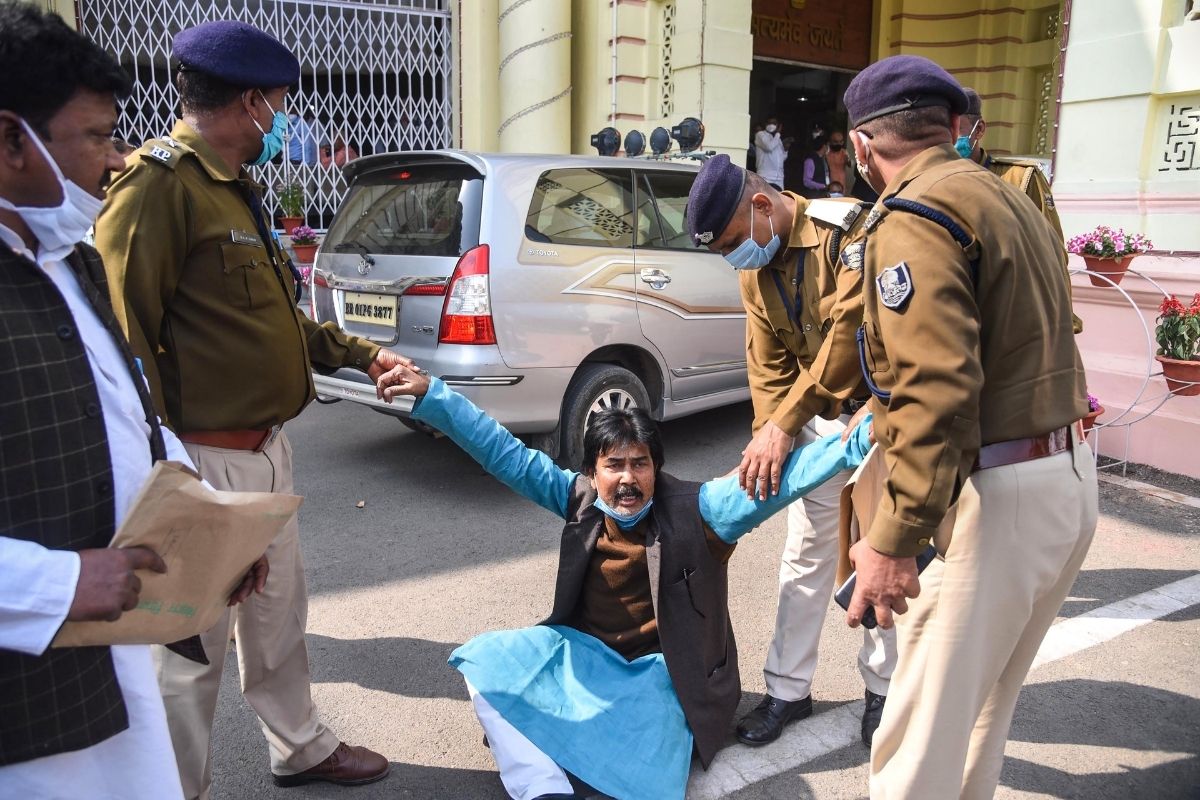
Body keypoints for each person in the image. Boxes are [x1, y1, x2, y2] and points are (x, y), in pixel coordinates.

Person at [94, 20, 411, 796]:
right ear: (250, 103)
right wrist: (165, 476)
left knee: (276, 620)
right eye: (279, 104)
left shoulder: (233, 187)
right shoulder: (158, 188)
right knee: (188, 649)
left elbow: (274, 322)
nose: (285, 118)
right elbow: (120, 345)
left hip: (265, 453)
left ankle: (297, 747)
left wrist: (364, 354)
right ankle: (175, 788)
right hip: (200, 460)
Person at [373, 364, 872, 800]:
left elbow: (782, 483)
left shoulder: (703, 511)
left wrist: (854, 442)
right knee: (487, 667)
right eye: (614, 465)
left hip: (665, 675)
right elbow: (502, 451)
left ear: (657, 467)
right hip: (588, 657)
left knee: (650, 770)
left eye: (641, 463)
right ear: (593, 470)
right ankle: (544, 790)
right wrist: (432, 396)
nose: (628, 478)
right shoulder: (579, 498)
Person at [0, 5, 262, 795]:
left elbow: (131, 415)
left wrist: (211, 535)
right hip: (27, 711)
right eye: (96, 137)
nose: (114, 161)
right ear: (12, 140)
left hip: (112, 671)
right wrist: (55, 584)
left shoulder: (66, 263)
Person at [841, 55, 1097, 798]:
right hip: (1065, 475)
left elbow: (938, 390)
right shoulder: (1005, 194)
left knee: (917, 749)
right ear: (954, 127)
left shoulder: (915, 216)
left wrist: (892, 539)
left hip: (1000, 495)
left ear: (862, 146)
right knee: (980, 721)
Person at [685, 154, 894, 748]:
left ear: (760, 206)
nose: (733, 257)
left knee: (875, 555)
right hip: (816, 432)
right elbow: (766, 362)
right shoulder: (753, 271)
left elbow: (847, 340)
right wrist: (767, 435)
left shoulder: (846, 230)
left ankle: (882, 689)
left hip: (874, 422)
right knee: (804, 559)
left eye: (731, 242)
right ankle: (787, 693)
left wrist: (785, 422)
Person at [958, 87, 1082, 333]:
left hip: (1007, 319)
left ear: (979, 130)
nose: (948, 138)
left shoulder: (1019, 178)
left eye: (956, 128)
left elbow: (1052, 252)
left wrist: (1059, 324)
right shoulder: (922, 181)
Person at [754, 116, 788, 190]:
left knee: (779, 200)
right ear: (765, 124)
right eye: (770, 123)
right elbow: (769, 147)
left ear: (777, 125)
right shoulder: (760, 135)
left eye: (774, 123)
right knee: (765, 199)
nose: (772, 125)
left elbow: (782, 158)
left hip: (779, 178)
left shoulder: (778, 139)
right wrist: (778, 133)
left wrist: (785, 150)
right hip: (765, 176)